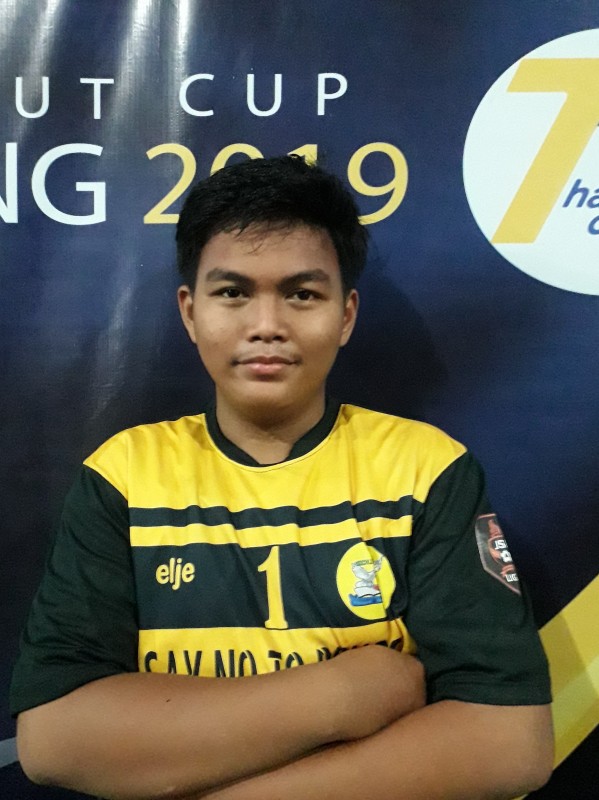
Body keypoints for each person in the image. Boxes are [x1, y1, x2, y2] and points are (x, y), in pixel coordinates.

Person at [11, 155, 553, 800]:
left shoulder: (426, 469)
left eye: (302, 294)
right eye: (232, 293)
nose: (266, 326)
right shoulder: (123, 474)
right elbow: (53, 739)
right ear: (190, 312)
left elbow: (510, 742)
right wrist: (342, 695)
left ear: (346, 315)